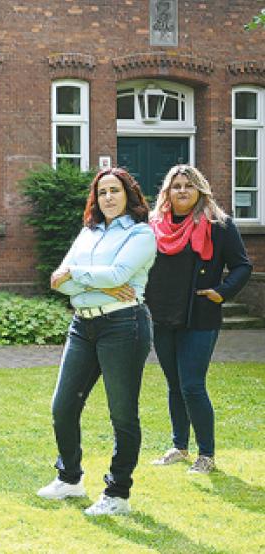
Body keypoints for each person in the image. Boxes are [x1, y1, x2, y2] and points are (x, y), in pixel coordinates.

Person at [36, 167, 156, 516]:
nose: (108, 198)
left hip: (123, 325)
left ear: (128, 194)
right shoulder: (87, 233)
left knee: (122, 414)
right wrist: (87, 279)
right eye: (102, 192)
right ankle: (70, 479)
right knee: (63, 407)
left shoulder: (141, 234)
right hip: (82, 326)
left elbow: (118, 275)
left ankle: (118, 494)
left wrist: (78, 275)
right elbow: (59, 281)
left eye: (114, 191)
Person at [146, 165, 252, 474]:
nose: (182, 191)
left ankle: (206, 454)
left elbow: (242, 266)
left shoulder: (219, 225)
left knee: (192, 385)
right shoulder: (154, 226)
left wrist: (222, 292)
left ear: (200, 191)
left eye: (188, 186)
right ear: (167, 192)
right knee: (174, 385)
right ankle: (179, 447)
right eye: (176, 186)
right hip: (162, 315)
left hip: (200, 316)